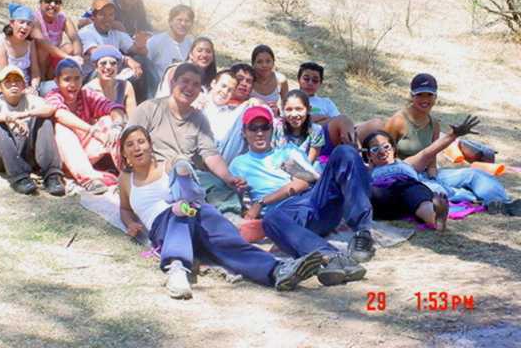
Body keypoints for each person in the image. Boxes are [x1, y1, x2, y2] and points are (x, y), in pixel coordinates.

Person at [118, 125, 325, 299]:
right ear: (125, 153)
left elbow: (180, 163)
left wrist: (182, 167)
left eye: (141, 141)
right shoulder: (126, 180)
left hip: (192, 212)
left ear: (150, 145)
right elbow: (125, 209)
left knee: (222, 234)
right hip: (164, 226)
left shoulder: (166, 165)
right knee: (178, 212)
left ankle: (276, 270)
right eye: (130, 144)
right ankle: (177, 267)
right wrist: (130, 223)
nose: (137, 147)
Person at [229, 106, 375, 286]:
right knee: (270, 219)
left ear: (271, 129)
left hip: (313, 200)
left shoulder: (288, 151)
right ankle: (332, 258)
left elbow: (306, 180)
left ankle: (363, 233)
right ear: (244, 132)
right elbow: (233, 197)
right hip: (285, 217)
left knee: (344, 152)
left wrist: (262, 201)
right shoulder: (238, 164)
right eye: (253, 128)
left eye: (264, 127)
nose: (259, 133)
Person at [384, 73, 514, 211]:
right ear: (411, 96)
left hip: (429, 174)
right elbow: (384, 159)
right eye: (420, 95)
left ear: (435, 97)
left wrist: (433, 176)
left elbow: (432, 158)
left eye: (429, 95)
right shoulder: (397, 121)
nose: (425, 99)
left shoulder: (434, 124)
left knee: (475, 174)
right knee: (439, 191)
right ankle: (472, 198)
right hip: (405, 176)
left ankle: (501, 203)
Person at [130, 63, 245, 214]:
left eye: (196, 84)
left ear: (200, 90)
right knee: (181, 170)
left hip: (187, 175)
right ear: (173, 82)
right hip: (154, 173)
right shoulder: (149, 109)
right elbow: (129, 144)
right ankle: (191, 208)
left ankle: (231, 218)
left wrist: (229, 177)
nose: (189, 88)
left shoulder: (199, 119)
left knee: (219, 184)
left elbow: (210, 154)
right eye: (185, 81)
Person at [0, 66, 64, 196]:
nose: (13, 84)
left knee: (44, 120)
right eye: (8, 81)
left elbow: (50, 109)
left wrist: (24, 114)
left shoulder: (30, 99)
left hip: (24, 151)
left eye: (17, 80)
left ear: (24, 85)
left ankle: (52, 175)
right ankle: (19, 178)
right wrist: (8, 118)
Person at [45, 59, 127, 194]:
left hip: (86, 152)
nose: (73, 84)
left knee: (108, 121)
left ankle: (126, 172)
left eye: (77, 79)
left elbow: (113, 107)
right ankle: (89, 179)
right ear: (57, 81)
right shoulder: (53, 96)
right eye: (67, 79)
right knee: (63, 129)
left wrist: (117, 125)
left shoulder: (86, 94)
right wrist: (92, 130)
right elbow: (60, 114)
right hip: (62, 158)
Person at [297, 61, 359, 157]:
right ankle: (354, 156)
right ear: (299, 79)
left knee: (375, 123)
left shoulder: (326, 102)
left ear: (320, 83)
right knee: (343, 120)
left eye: (315, 80)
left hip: (331, 137)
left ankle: (356, 154)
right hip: (307, 138)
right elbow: (297, 122)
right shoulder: (292, 98)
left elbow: (339, 121)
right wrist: (324, 117)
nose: (310, 83)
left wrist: (317, 118)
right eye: (306, 79)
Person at [79, 0, 144, 81]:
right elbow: (99, 54)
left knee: (141, 62)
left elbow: (137, 49)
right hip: (91, 76)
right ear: (93, 17)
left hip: (111, 73)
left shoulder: (115, 32)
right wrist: (126, 59)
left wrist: (141, 44)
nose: (107, 18)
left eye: (111, 15)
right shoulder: (86, 32)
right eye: (102, 14)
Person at [31, 0, 83, 81]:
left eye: (57, 2)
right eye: (48, 1)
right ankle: (41, 82)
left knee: (69, 48)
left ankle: (57, 79)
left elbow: (76, 39)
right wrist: (68, 57)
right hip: (37, 61)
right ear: (41, 2)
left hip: (54, 58)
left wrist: (77, 57)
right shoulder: (34, 18)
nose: (53, 5)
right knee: (43, 50)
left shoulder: (63, 18)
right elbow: (42, 42)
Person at [0, 3, 41, 93]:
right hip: (7, 87)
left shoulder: (30, 43)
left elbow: (35, 72)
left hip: (27, 88)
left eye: (29, 24)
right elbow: (4, 73)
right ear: (12, 23)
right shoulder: (0, 41)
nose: (25, 27)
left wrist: (34, 87)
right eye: (21, 22)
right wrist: (21, 91)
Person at [85, 45, 137, 116]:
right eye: (103, 63)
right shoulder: (87, 91)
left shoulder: (126, 86)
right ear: (96, 67)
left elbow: (132, 117)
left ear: (117, 67)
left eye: (113, 63)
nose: (108, 67)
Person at [147, 4, 194, 81]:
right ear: (170, 22)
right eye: (179, 20)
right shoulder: (156, 42)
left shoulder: (191, 44)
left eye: (187, 21)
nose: (183, 24)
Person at [278, 89, 324, 166]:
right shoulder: (278, 128)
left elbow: (309, 163)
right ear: (283, 110)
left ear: (308, 109)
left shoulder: (316, 131)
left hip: (305, 171)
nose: (294, 114)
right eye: (289, 109)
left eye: (299, 109)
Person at [251, 45, 288, 116]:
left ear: (273, 62)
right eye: (259, 62)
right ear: (253, 64)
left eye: (268, 61)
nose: (264, 65)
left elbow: (287, 107)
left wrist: (277, 111)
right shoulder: (248, 80)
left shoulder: (281, 80)